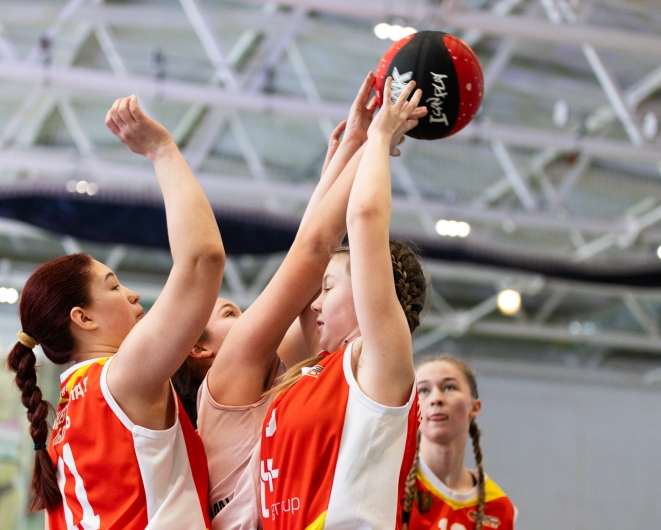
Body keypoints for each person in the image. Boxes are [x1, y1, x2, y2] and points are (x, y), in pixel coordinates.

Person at [6, 95, 225, 529]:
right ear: (83, 318)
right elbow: (203, 260)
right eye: (114, 286)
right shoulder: (120, 381)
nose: (133, 294)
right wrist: (161, 148)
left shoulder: (68, 415)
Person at [197, 73, 386, 524]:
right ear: (199, 350)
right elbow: (311, 254)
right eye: (230, 313)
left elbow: (305, 277)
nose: (247, 316)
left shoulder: (273, 377)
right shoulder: (226, 380)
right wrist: (377, 140)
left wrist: (347, 152)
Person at [251, 75, 428, 529]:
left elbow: (365, 218)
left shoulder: (381, 361)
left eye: (328, 288)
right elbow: (306, 253)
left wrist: (381, 137)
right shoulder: (316, 368)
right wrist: (347, 154)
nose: (315, 303)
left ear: (371, 287)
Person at [402, 356, 518, 530]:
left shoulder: (498, 506)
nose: (436, 399)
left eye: (449, 387)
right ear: (411, 406)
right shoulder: (394, 482)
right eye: (423, 390)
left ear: (474, 407)